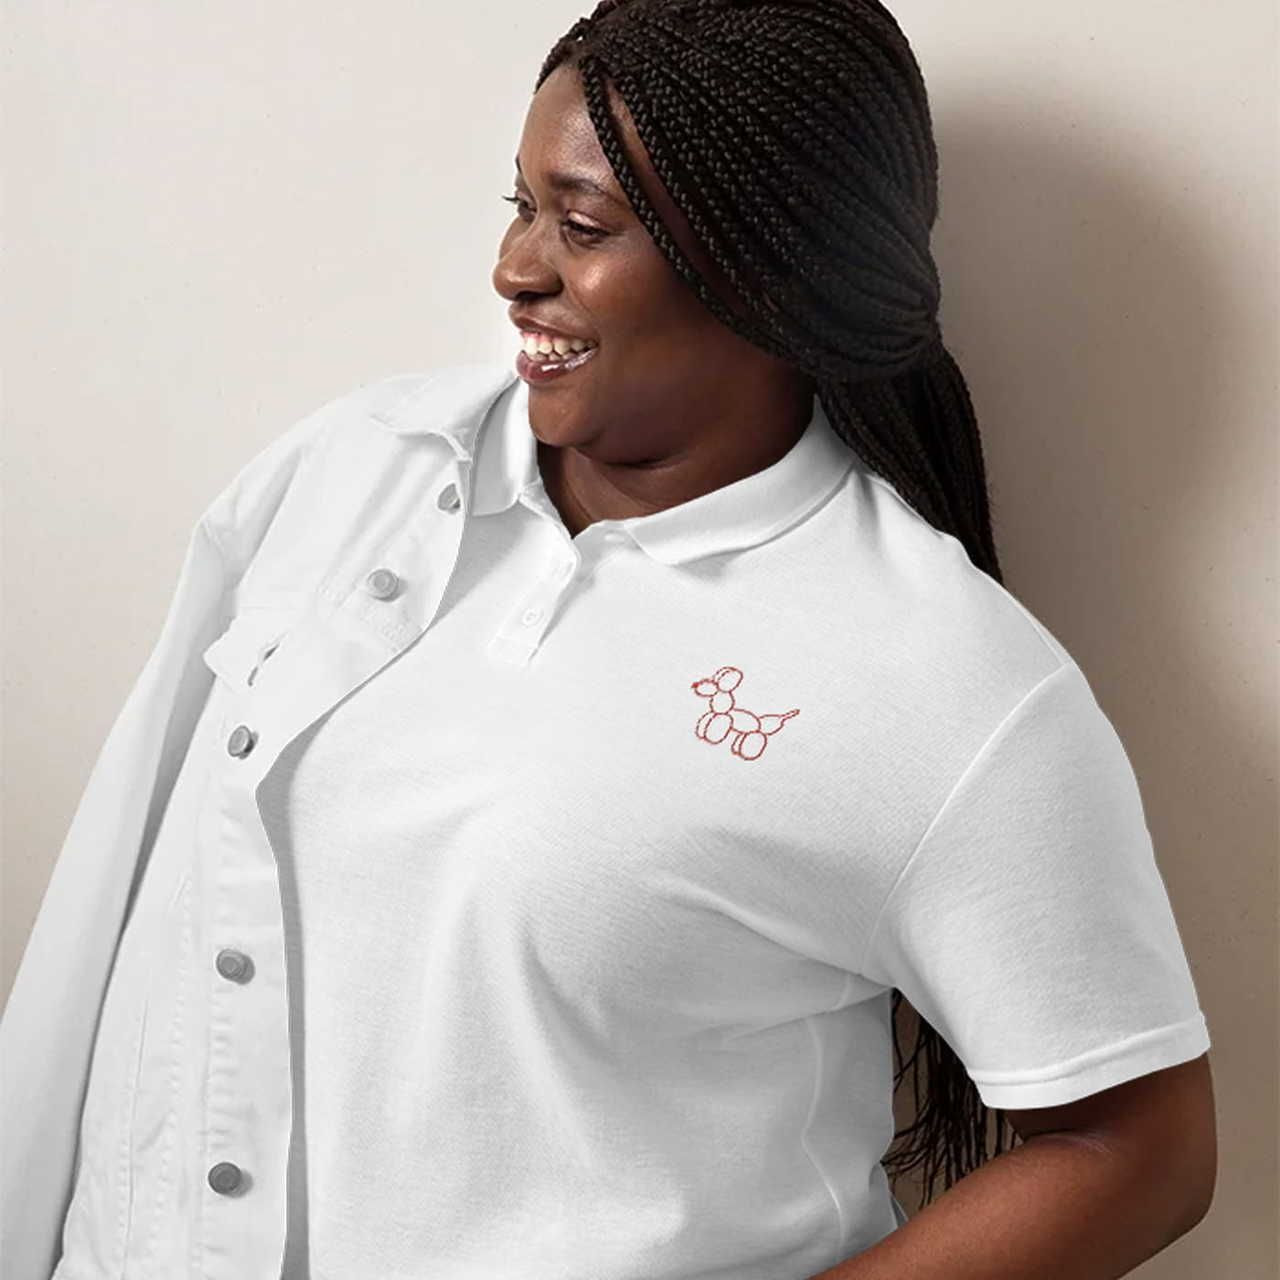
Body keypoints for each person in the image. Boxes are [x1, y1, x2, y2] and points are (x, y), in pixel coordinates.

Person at [1, 2, 1216, 1278]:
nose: (514, 266)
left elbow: (1137, 1146)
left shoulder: (941, 679)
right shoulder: (350, 467)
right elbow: (128, 887)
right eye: (518, 203)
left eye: (579, 226)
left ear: (768, 265)